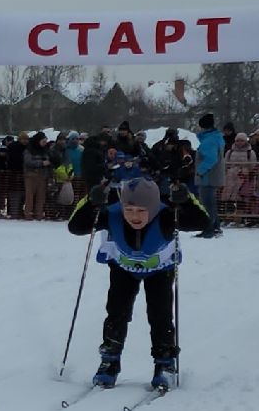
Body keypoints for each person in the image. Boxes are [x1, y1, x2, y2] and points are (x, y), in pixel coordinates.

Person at [67, 176, 210, 389]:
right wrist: (91, 201)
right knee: (116, 313)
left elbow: (203, 222)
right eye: (129, 210)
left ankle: (165, 363)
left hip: (159, 271)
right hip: (123, 269)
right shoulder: (112, 214)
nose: (135, 216)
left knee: (160, 315)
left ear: (152, 208)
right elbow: (76, 226)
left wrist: (186, 200)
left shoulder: (167, 217)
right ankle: (110, 361)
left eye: (142, 211)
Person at [193, 113, 225, 238]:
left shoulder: (209, 140)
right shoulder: (216, 137)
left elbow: (211, 159)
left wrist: (200, 170)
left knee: (206, 204)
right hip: (213, 176)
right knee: (211, 203)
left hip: (207, 177)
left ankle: (209, 228)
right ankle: (216, 227)